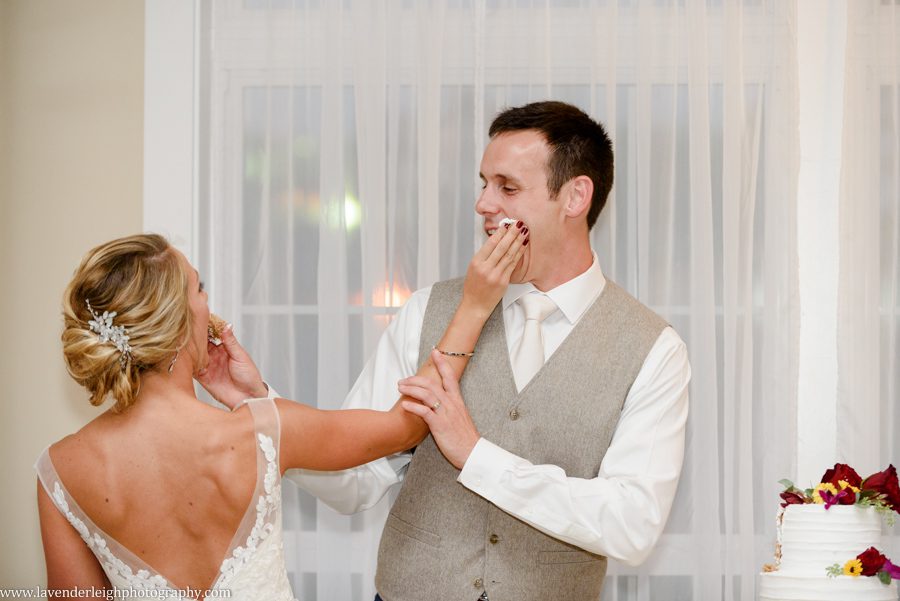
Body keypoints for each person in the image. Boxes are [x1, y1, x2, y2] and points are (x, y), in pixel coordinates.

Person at [285, 101, 692, 601]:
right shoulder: (425, 311)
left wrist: (477, 456)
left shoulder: (654, 350)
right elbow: (353, 482)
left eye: (508, 187)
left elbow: (632, 525)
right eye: (484, 184)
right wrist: (269, 424)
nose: (483, 204)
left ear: (574, 197)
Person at [35, 228, 527, 599]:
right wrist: (473, 306)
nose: (209, 302)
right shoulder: (264, 429)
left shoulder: (60, 469)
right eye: (199, 289)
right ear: (179, 320)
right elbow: (410, 422)